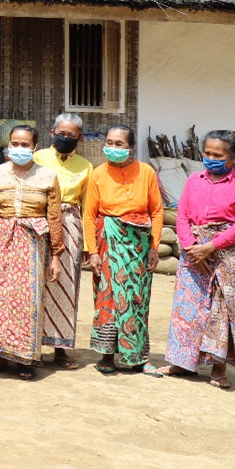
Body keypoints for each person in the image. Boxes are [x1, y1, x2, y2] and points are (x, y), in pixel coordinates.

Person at [152, 129, 235, 388]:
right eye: (207, 153)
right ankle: (182, 362)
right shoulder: (194, 180)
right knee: (189, 308)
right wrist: (190, 248)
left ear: (233, 158)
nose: (210, 158)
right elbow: (182, 216)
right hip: (193, 252)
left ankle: (218, 369)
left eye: (218, 155)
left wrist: (209, 247)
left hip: (227, 254)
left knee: (223, 310)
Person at [0, 125, 62, 380]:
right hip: (3, 241)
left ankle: (26, 358)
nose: (19, 149)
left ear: (35, 147)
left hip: (33, 242)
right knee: (0, 299)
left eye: (25, 145)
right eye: (14, 144)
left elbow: (54, 216)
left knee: (29, 300)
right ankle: (0, 356)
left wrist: (56, 255)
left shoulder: (48, 176)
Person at [81, 125, 162, 373]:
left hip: (138, 244)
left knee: (137, 298)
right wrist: (92, 251)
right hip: (107, 240)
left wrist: (154, 247)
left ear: (131, 147)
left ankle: (136, 355)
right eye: (109, 142)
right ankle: (106, 355)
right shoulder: (97, 174)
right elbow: (89, 215)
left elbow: (156, 211)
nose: (113, 148)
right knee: (108, 296)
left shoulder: (146, 172)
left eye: (119, 144)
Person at [32, 113, 93, 369]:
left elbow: (88, 206)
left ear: (79, 137)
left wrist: (89, 245)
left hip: (70, 227)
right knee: (34, 283)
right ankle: (31, 346)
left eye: (71, 135)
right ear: (51, 131)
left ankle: (60, 348)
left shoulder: (86, 166)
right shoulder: (37, 158)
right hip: (37, 224)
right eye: (61, 133)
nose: (65, 138)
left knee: (66, 286)